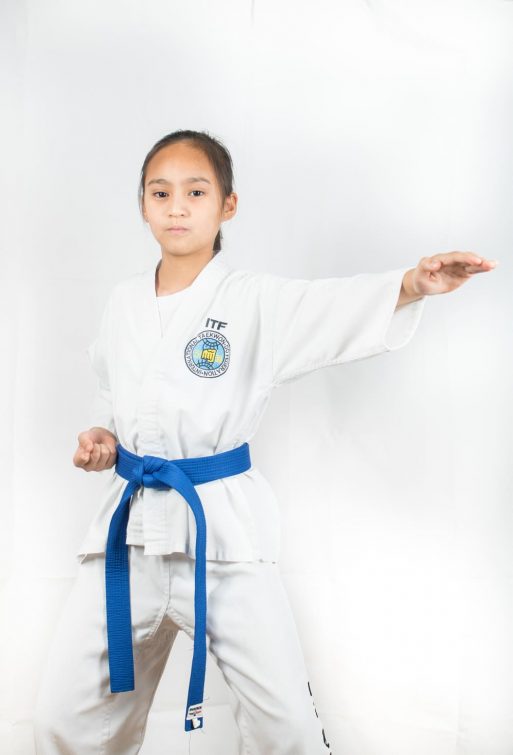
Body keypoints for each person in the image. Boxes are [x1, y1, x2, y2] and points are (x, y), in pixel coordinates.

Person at [33, 129, 497, 755]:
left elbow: (328, 307)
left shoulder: (253, 301)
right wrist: (103, 438)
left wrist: (410, 285)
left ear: (227, 205)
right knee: (65, 715)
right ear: (142, 205)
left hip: (223, 535)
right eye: (160, 193)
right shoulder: (123, 302)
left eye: (196, 192)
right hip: (131, 533)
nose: (176, 207)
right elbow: (111, 389)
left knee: (286, 726)